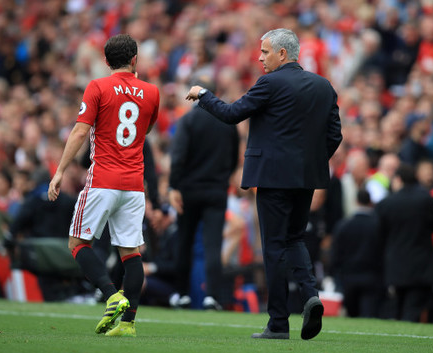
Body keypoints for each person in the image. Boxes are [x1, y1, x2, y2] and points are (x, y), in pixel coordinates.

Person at [186, 28, 342, 340]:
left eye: (265, 51)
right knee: (295, 238)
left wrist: (203, 95)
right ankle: (310, 294)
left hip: (272, 177)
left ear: (283, 54)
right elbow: (334, 134)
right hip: (306, 178)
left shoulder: (270, 83)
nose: (259, 57)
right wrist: (308, 162)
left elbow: (232, 115)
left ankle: (279, 324)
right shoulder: (324, 86)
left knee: (273, 247)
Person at [48, 34, 159, 338]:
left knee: (78, 244)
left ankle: (112, 296)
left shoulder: (97, 86)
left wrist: (59, 171)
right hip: (135, 185)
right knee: (131, 252)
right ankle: (128, 324)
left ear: (107, 61)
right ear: (135, 59)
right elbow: (145, 128)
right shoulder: (152, 92)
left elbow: (81, 132)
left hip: (103, 180)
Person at [169, 78, 239, 310]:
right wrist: (222, 179)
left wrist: (174, 187)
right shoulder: (227, 123)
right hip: (216, 191)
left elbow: (178, 158)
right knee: (213, 244)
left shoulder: (188, 120)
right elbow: (234, 158)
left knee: (185, 242)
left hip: (189, 190)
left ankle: (182, 293)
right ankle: (212, 295)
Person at [375, 164, 433, 322]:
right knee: (414, 308)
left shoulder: (386, 203)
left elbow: (378, 234)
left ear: (398, 180)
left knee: (397, 307)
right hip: (421, 264)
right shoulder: (426, 200)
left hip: (396, 264)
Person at [331, 189, 383, 318]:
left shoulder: (343, 225)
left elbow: (336, 254)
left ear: (356, 201)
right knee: (369, 315)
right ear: (370, 202)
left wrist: (335, 275)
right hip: (372, 277)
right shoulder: (378, 225)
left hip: (349, 277)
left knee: (352, 315)